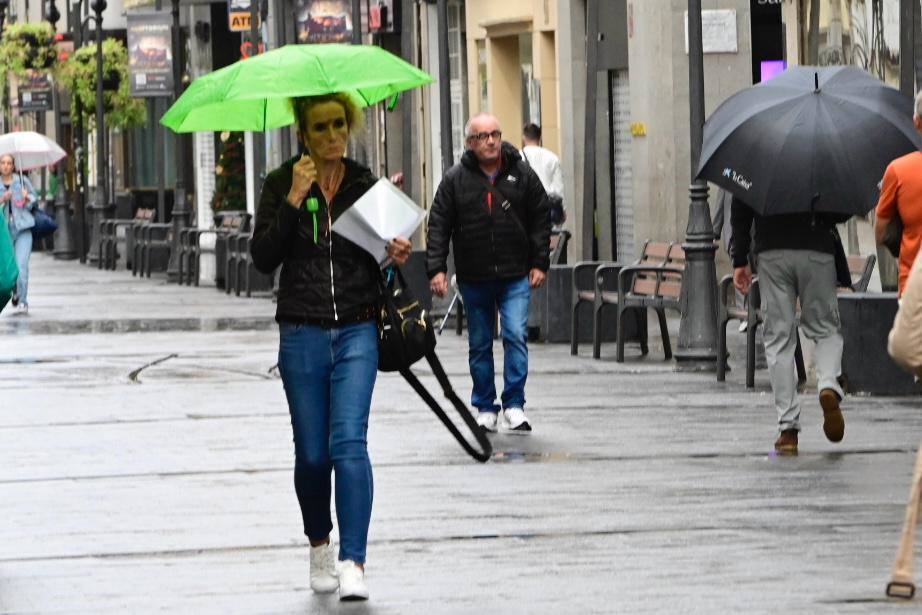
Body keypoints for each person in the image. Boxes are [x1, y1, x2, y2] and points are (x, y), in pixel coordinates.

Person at [250, 92, 411, 602]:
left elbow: (377, 259)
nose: (332, 135)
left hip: (360, 328)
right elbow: (262, 258)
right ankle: (320, 543)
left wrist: (394, 252)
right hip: (301, 333)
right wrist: (296, 199)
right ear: (303, 134)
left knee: (349, 445)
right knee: (314, 455)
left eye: (339, 124)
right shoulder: (280, 184)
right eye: (320, 127)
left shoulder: (364, 184)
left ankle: (353, 560)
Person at [427, 113, 550, 433]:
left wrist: (540, 262)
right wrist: (436, 269)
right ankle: (485, 406)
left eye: (495, 133)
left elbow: (540, 216)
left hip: (514, 275)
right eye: (483, 136)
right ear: (470, 143)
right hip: (474, 276)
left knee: (514, 335)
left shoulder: (521, 174)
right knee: (480, 343)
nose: (492, 141)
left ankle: (514, 404)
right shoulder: (455, 179)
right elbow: (439, 224)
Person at [730, 198, 849, 454]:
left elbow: (741, 204)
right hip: (817, 248)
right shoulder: (823, 157)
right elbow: (841, 210)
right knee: (826, 329)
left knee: (778, 338)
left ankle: (788, 430)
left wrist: (739, 258)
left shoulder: (758, 158)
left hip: (772, 250)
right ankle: (828, 384)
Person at [875, 90, 922, 297]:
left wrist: (898, 255)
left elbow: (881, 233)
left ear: (916, 122)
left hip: (913, 287)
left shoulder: (898, 171)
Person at [1, 154, 38, 316]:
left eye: (9, 163)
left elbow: (35, 200)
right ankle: (14, 291)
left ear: (13, 166)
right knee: (10, 268)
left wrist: (27, 197)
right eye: (3, 163)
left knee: (22, 267)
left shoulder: (22, 181)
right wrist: (3, 198)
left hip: (22, 228)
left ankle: (23, 300)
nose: (6, 166)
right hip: (4, 232)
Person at [520, 122, 565, 228]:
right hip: (548, 209)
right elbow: (559, 189)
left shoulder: (518, 157)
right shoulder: (552, 158)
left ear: (524, 137)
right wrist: (562, 209)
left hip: (526, 210)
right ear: (540, 137)